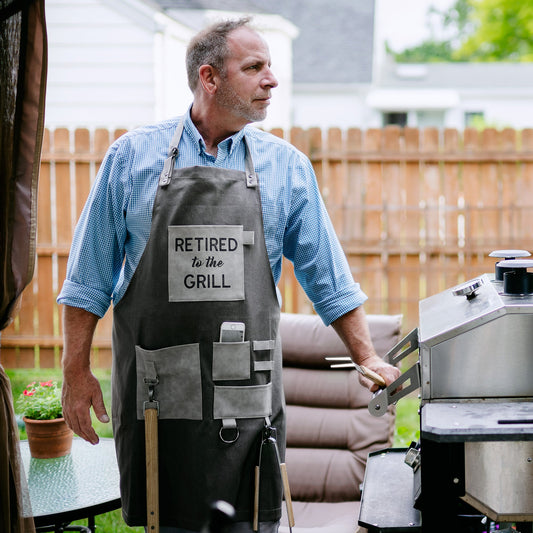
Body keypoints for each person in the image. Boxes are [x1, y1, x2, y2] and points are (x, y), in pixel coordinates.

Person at [58, 17, 400, 533]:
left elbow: (328, 277)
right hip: (158, 398)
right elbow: (89, 275)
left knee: (251, 518)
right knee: (162, 516)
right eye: (254, 67)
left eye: (269, 66)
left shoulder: (285, 166)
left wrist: (366, 355)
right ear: (210, 77)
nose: (271, 80)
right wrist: (74, 371)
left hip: (247, 398)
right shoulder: (133, 158)